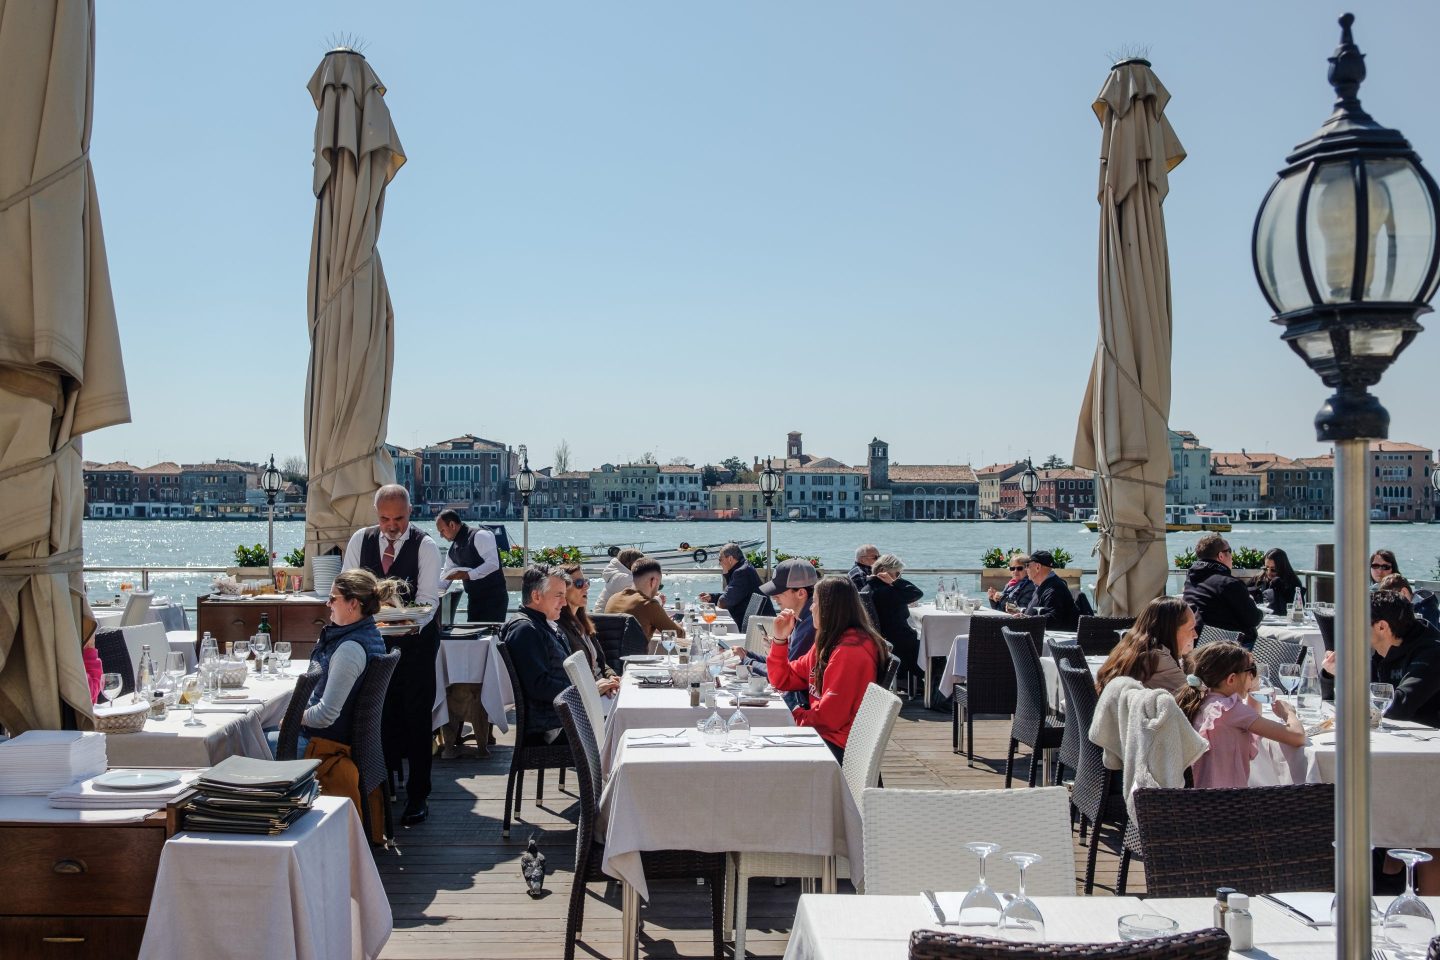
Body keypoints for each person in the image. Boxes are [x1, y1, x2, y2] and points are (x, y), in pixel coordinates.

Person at [342, 484, 442, 826]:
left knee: (416, 720)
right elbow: (348, 587)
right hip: (371, 647)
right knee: (374, 718)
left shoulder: (425, 547)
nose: (391, 525)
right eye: (385, 518)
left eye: (398, 518)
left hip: (414, 649)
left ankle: (418, 796)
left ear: (410, 514)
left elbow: (428, 601)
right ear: (376, 515)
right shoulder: (360, 541)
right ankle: (377, 793)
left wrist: (405, 618)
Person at [301, 569, 396, 842]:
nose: (328, 604)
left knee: (247, 746)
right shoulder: (369, 636)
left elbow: (326, 715)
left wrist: (295, 718)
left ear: (352, 603)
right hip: (348, 739)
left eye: (333, 599)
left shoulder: (349, 649)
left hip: (326, 743)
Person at [765, 575, 891, 764]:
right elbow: (782, 679)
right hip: (824, 736)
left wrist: (792, 714)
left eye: (815, 601)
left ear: (829, 607)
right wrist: (780, 639)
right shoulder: (829, 642)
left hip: (838, 750)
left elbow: (829, 719)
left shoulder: (850, 651)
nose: (810, 607)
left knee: (762, 754)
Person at [505, 565, 617, 745]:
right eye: (559, 595)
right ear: (536, 596)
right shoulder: (525, 630)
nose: (564, 603)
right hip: (554, 728)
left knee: (627, 706)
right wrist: (589, 690)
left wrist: (596, 687)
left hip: (567, 716)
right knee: (626, 714)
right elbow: (539, 686)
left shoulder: (542, 625)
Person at [1176, 640, 1304, 788]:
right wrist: (1288, 713)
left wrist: (1253, 687)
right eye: (1251, 671)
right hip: (1230, 803)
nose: (1254, 676)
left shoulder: (1202, 700)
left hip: (1202, 799)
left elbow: (1251, 722)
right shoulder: (1230, 710)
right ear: (1231, 679)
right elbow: (1297, 737)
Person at [1321, 590, 1440, 728]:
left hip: (1426, 743)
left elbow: (1399, 708)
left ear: (1382, 627)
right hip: (1391, 734)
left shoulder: (1431, 653)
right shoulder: (1375, 647)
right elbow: (1327, 697)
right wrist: (1330, 673)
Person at [1094, 596, 1197, 695]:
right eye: (1191, 628)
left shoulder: (1131, 648)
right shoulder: (1156, 658)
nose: (1195, 635)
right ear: (1172, 630)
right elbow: (1195, 696)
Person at [760, 557, 821, 709]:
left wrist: (748, 661)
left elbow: (786, 676)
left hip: (801, 706)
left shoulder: (810, 626)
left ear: (801, 593)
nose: (774, 597)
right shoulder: (801, 619)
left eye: (779, 592)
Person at [1182, 534, 1263, 647]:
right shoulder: (1228, 583)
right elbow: (1253, 619)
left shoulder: (1191, 580)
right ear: (1221, 556)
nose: (1232, 556)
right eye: (1229, 551)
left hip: (1197, 643)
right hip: (1226, 649)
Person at [859, 554, 923, 688]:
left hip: (886, 640)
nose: (899, 576)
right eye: (897, 573)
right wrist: (894, 582)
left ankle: (908, 682)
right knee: (935, 653)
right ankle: (937, 695)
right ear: (884, 571)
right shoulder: (886, 592)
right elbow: (916, 593)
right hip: (901, 644)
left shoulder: (867, 589)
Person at [435, 509, 507, 623]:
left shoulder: (480, 535)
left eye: (442, 531)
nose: (441, 535)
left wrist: (467, 575)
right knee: (473, 636)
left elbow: (493, 564)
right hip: (474, 599)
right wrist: (431, 592)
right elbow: (445, 577)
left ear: (452, 525)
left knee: (491, 636)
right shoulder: (452, 551)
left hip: (494, 599)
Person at [556, 563, 619, 686]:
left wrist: (612, 676)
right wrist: (597, 687)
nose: (586, 587)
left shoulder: (584, 623)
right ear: (563, 590)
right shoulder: (559, 629)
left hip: (603, 687)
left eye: (586, 582)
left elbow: (598, 662)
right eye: (579, 583)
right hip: (591, 693)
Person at [604, 556, 685, 641]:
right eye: (659, 585)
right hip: (637, 654)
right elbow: (678, 635)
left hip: (610, 653)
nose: (658, 588)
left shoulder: (613, 598)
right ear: (653, 581)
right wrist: (677, 624)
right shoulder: (649, 605)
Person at [698, 543, 762, 631]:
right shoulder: (744, 567)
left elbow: (724, 602)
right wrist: (712, 597)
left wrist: (726, 573)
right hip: (753, 623)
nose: (719, 563)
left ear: (730, 559)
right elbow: (733, 594)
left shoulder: (741, 572)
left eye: (720, 559)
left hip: (753, 629)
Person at [1018, 550, 1079, 632]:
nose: (1026, 569)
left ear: (1038, 567)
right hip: (1038, 634)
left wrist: (1027, 620)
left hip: (1055, 641)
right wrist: (1022, 614)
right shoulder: (1042, 586)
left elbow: (1053, 619)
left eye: (1028, 565)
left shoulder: (1054, 589)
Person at [1250, 547, 1306, 617]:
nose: (1269, 572)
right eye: (1266, 568)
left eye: (1273, 569)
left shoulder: (1292, 584)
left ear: (1282, 568)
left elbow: (1297, 609)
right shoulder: (1258, 579)